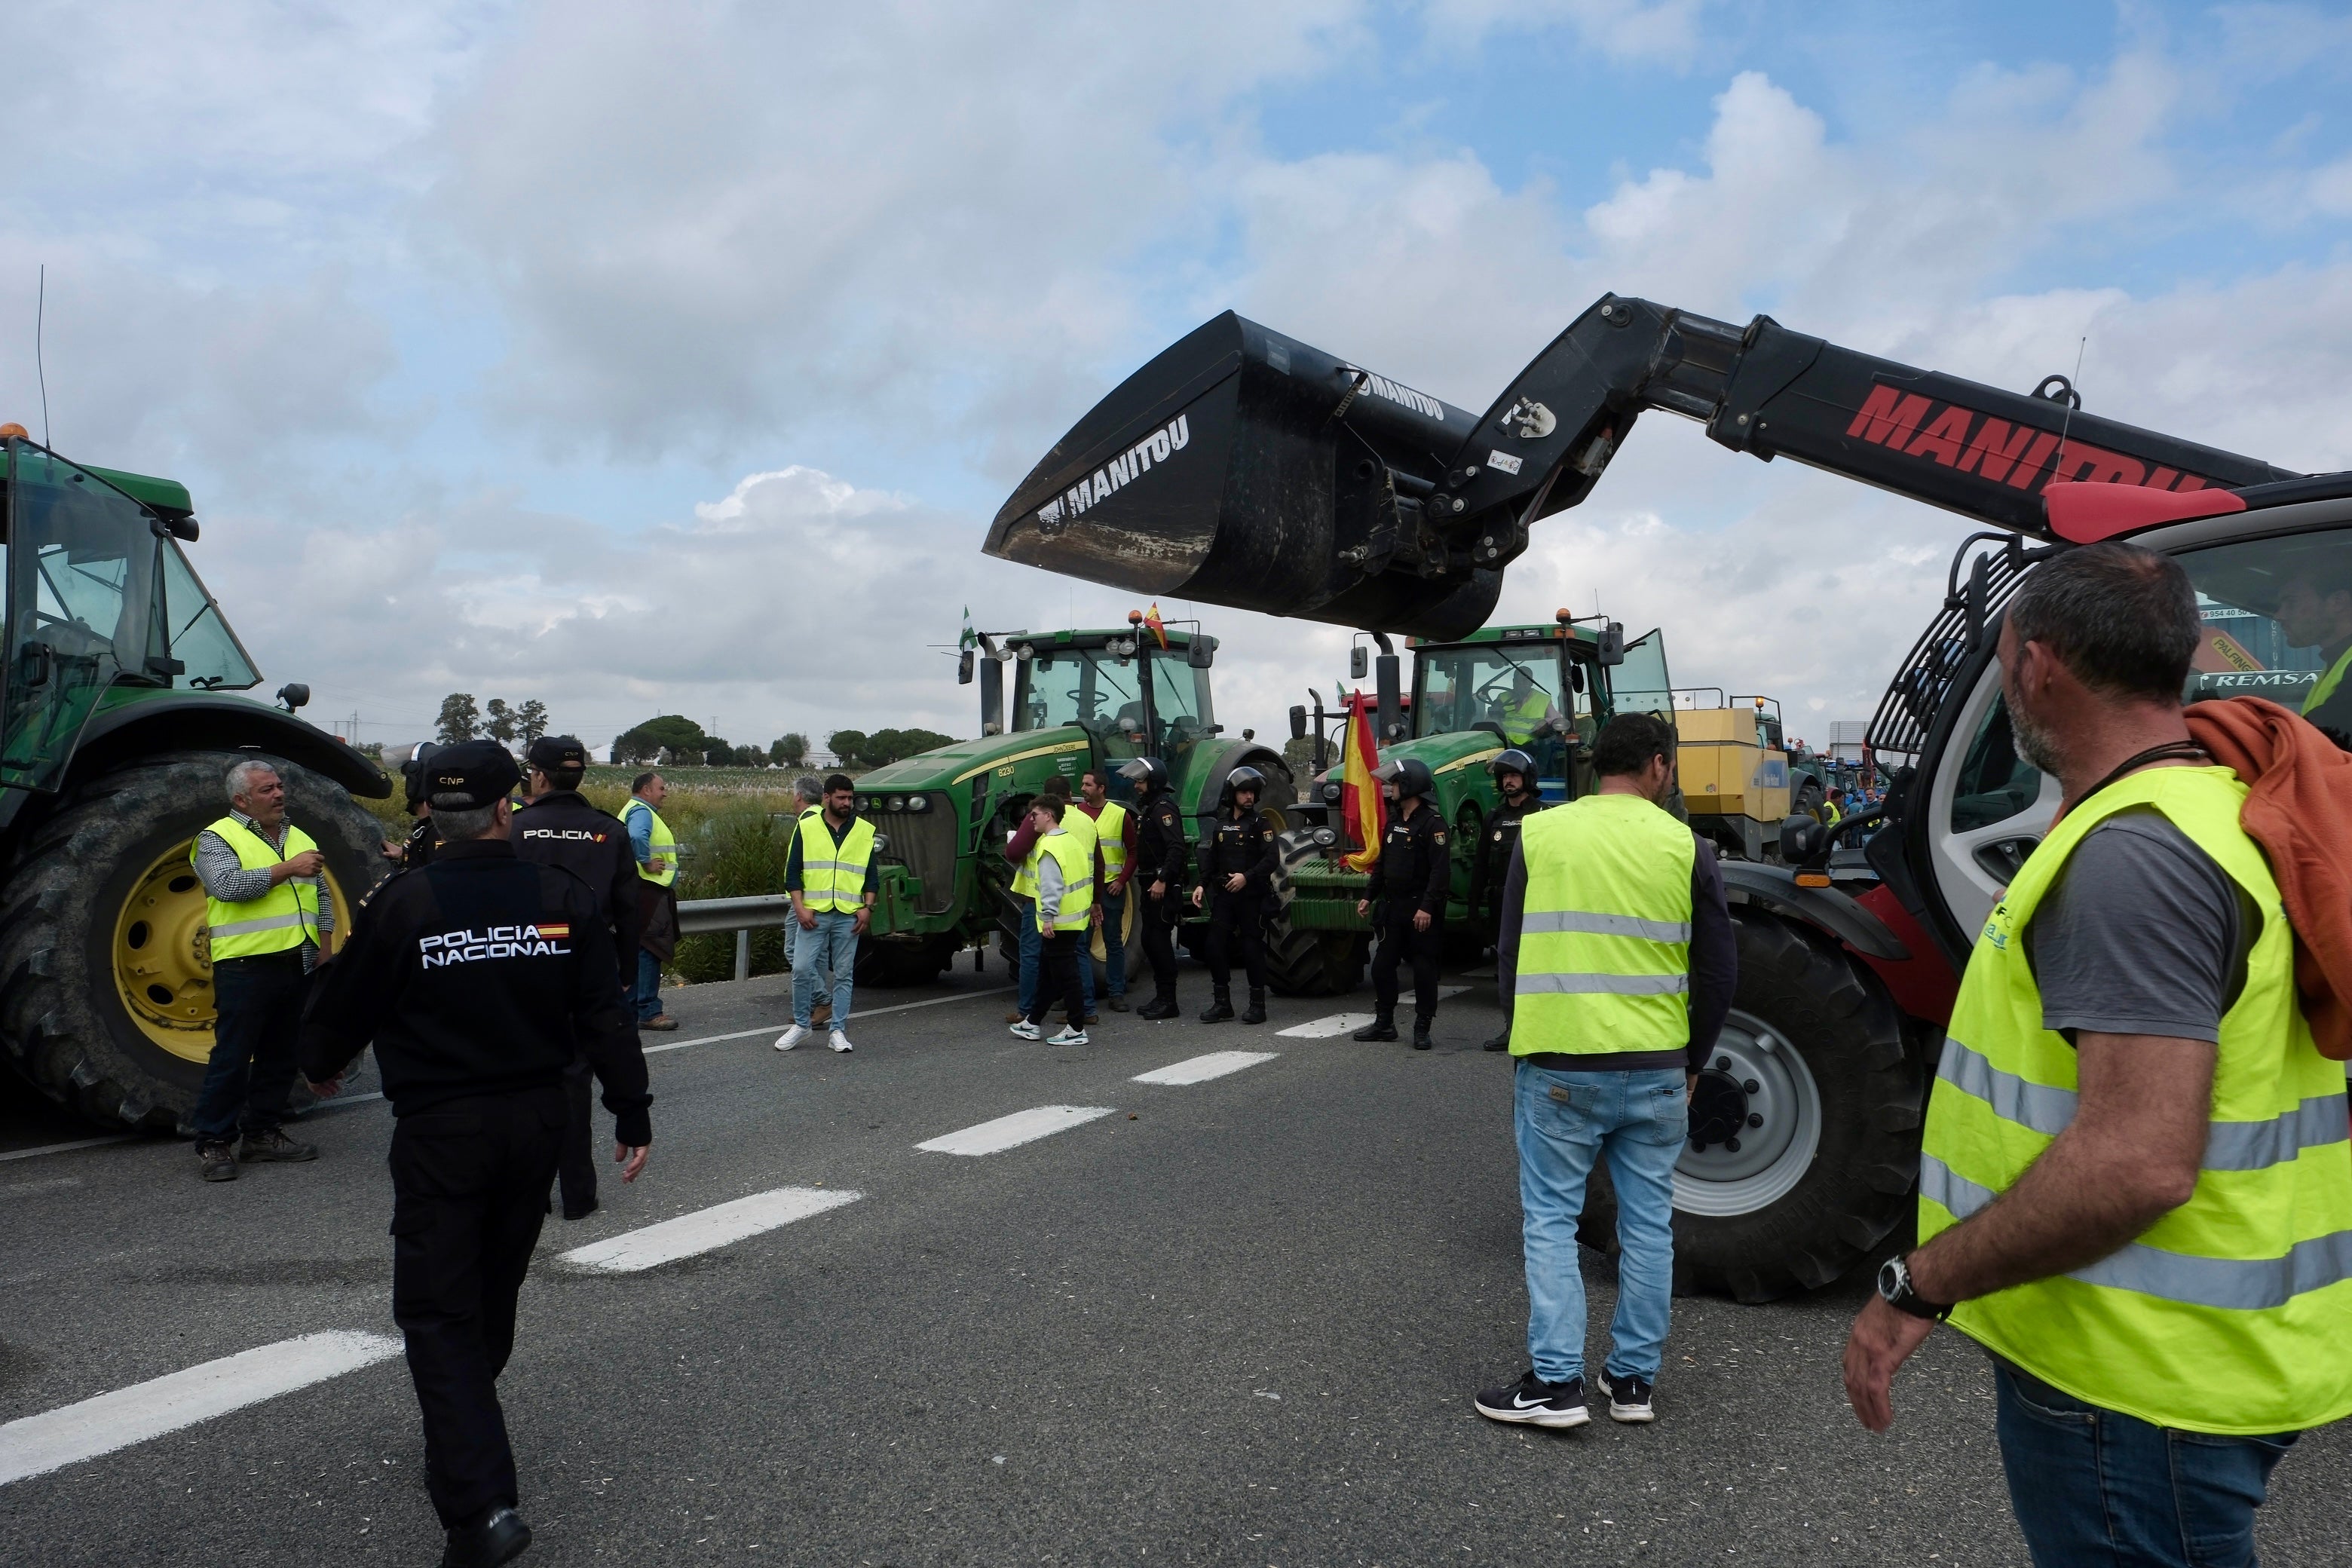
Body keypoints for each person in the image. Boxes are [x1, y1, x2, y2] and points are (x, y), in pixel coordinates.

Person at [1842, 543, 2352, 1565]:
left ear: (2038, 664)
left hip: (2139, 1385)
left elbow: (2137, 1162)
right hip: (2200, 1356)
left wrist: (1917, 1283)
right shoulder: (2215, 809)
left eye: (2003, 658)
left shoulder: (2133, 855)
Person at [296, 740, 652, 1568]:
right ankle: (460, 1435)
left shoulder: (405, 902)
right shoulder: (558, 895)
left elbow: (343, 1009)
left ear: (430, 811)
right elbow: (604, 1013)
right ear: (505, 809)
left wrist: (318, 1062)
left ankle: (480, 1507)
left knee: (439, 1313)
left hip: (443, 1132)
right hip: (538, 1126)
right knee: (490, 1294)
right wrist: (631, 1110)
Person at [1475, 712, 1735, 1429]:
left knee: (1551, 1222)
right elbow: (1719, 971)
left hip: (1559, 1063)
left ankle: (1555, 1385)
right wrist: (1693, 1060)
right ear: (1658, 764)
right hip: (1657, 1069)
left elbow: (1509, 951)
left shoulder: (1541, 834)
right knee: (1649, 1227)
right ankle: (1631, 1382)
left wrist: (1523, 1038)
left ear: (1597, 765)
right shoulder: (1687, 846)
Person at [186, 758, 338, 1183]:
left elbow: (321, 895)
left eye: (279, 786)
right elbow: (227, 887)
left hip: (298, 959)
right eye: (267, 789)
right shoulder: (216, 838)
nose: (279, 794)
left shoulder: (299, 836)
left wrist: (324, 949)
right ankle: (214, 1141)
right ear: (241, 800)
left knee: (281, 1054)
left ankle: (262, 1134)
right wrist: (289, 868)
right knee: (233, 1056)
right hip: (245, 963)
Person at [511, 735, 640, 1221]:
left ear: (538, 777)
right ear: (579, 775)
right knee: (575, 1082)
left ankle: (532, 1193)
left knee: (524, 1078)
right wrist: (625, 971)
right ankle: (579, 1196)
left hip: (523, 965)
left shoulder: (514, 828)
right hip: (589, 969)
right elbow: (629, 909)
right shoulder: (608, 830)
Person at [774, 773, 875, 1054]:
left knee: (844, 975)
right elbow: (793, 871)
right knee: (801, 969)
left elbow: (871, 875)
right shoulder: (807, 827)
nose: (846, 803)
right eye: (841, 798)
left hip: (848, 915)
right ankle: (802, 1025)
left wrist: (868, 908)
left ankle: (838, 1031)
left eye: (850, 798)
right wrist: (799, 907)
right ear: (826, 798)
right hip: (814, 914)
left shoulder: (864, 830)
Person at [1352, 758, 1449, 1049]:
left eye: (1395, 783)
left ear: (1410, 786)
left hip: (1421, 911)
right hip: (1394, 908)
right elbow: (1383, 865)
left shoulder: (1433, 824)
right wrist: (1368, 895)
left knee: (1424, 971)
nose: (1390, 788)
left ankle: (1422, 1028)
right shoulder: (1394, 822)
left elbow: (1440, 872)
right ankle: (1384, 1024)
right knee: (1382, 967)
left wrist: (1427, 907)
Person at [1004, 776, 1100, 1025]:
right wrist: (1096, 900)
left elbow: (1014, 852)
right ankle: (1086, 1010)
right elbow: (1098, 863)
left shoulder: (1040, 822)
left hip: (1042, 901)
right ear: (1069, 794)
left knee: (1033, 955)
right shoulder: (1086, 820)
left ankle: (1027, 1011)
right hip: (1077, 903)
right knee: (1076, 955)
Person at [1471, 749, 1548, 1052]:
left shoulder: (1543, 815)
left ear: (1528, 778)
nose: (1509, 781)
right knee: (1507, 967)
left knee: (1537, 968)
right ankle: (1512, 1028)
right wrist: (1474, 907)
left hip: (1534, 904)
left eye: (1514, 775)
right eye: (1505, 777)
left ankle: (1541, 1030)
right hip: (1501, 903)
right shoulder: (1494, 817)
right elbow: (1480, 864)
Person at [1192, 765, 1276, 1024]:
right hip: (1225, 896)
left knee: (1252, 949)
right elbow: (1212, 859)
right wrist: (1201, 884)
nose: (1249, 797)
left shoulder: (1261, 824)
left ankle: (1257, 1006)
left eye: (1252, 792)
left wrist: (1246, 877)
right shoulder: (1221, 825)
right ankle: (1222, 1004)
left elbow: (1271, 859)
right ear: (1233, 794)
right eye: (1243, 792)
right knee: (1214, 947)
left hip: (1251, 897)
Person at [1118, 756, 1187, 1018]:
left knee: (1158, 941)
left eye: (1141, 781)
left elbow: (1176, 848)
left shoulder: (1163, 809)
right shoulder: (1151, 808)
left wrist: (1163, 879)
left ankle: (1169, 1001)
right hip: (1150, 883)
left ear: (1154, 781)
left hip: (1162, 886)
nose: (1136, 786)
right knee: (1149, 939)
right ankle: (1161, 997)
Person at [620, 770, 680, 1031]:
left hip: (638, 890)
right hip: (649, 890)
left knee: (637, 950)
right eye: (661, 788)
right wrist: (646, 861)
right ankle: (648, 1010)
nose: (665, 793)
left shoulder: (633, 809)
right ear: (646, 790)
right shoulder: (642, 812)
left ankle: (632, 1009)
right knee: (650, 949)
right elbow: (636, 836)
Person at [1076, 767, 1136, 1012]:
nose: (1082, 789)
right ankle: (1078, 995)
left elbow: (1133, 852)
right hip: (1083, 889)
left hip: (1110, 889)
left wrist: (1122, 881)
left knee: (1113, 941)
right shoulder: (1076, 814)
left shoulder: (1120, 815)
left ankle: (1116, 993)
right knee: (1080, 944)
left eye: (1088, 785)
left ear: (1101, 788)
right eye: (1083, 784)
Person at [2274, 571, 2352, 740]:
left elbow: (2319, 740)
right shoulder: (2339, 663)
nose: (2279, 615)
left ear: (2338, 602)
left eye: (2291, 603)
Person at [791, 774, 835, 1027]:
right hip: (823, 898)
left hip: (806, 898)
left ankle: (823, 1000)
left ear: (799, 796)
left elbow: (795, 865)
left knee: (794, 952)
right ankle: (813, 1008)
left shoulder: (806, 822)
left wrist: (798, 899)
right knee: (818, 957)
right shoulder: (824, 818)